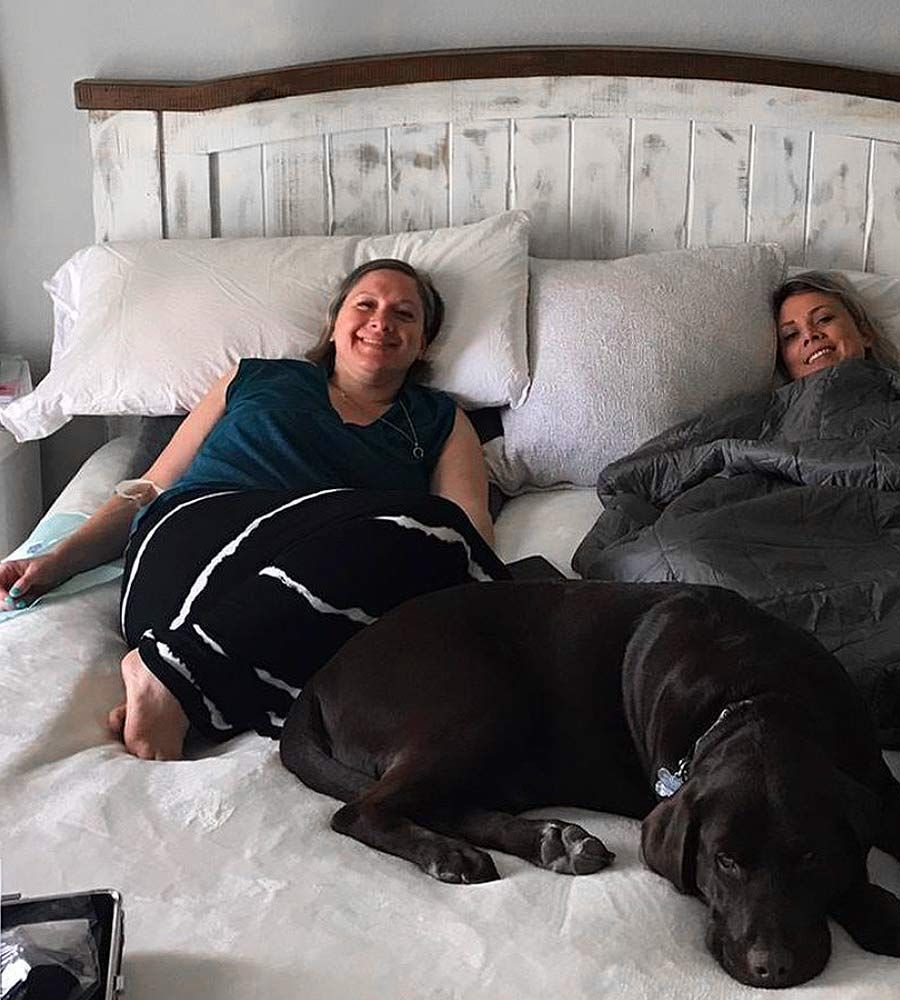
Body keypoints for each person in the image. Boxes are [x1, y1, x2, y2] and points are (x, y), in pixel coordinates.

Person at [0, 258, 508, 760]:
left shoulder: (439, 419)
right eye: (366, 304)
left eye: (404, 314)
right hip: (192, 550)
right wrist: (57, 561)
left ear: (422, 343)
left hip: (304, 590)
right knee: (430, 532)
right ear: (334, 324)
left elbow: (469, 533)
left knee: (438, 545)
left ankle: (174, 682)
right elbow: (152, 487)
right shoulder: (254, 378)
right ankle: (178, 676)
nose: (382, 321)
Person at [774, 270, 899, 380]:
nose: (809, 335)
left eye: (823, 319)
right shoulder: (768, 406)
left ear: (864, 332)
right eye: (791, 334)